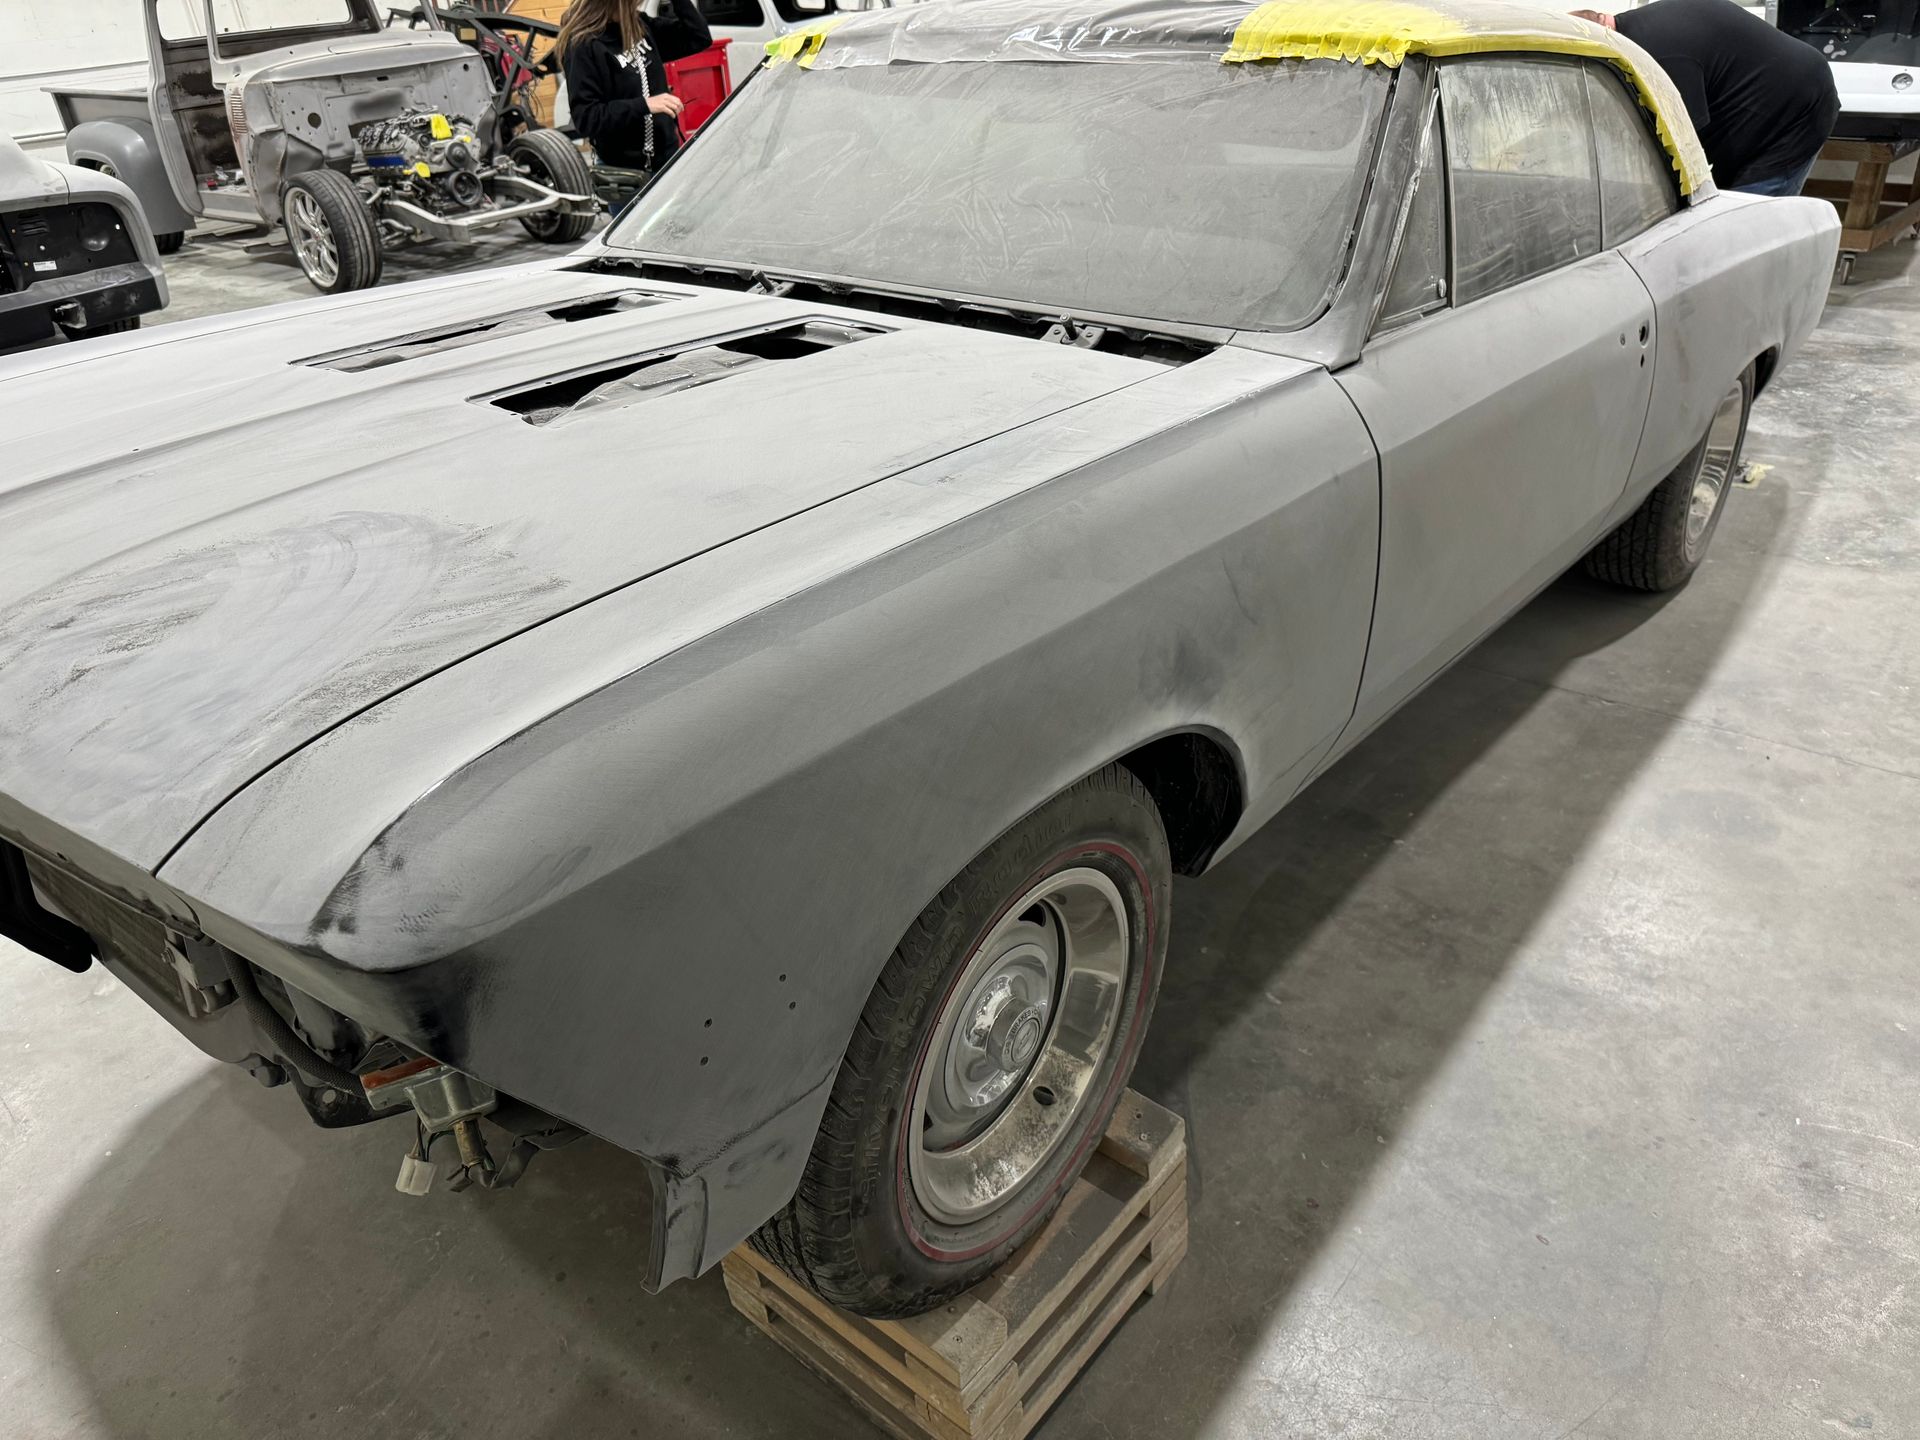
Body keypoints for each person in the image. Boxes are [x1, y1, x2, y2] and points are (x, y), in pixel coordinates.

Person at [1574, 0, 1840, 195]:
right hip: (1756, 108)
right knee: (1724, 211)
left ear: (1603, 31)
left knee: (1748, 221)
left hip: (1796, 109)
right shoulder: (1639, 32)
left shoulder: (1661, 52)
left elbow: (1683, 143)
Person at [555, 0, 714, 174]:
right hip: (627, 173)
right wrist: (645, 105)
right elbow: (587, 118)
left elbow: (699, 37)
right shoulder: (584, 45)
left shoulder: (640, 25)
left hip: (667, 159)